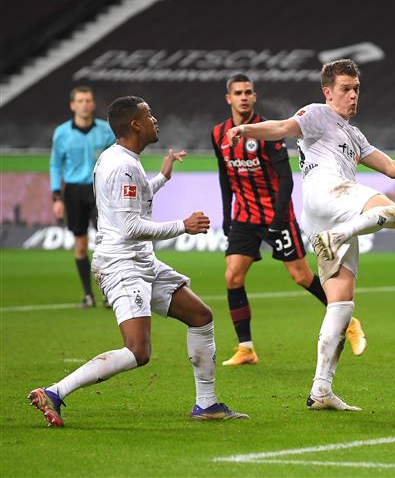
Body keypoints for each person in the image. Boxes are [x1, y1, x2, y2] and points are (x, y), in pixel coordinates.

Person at [227, 59, 395, 410]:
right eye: (345, 89)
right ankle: (339, 236)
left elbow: (394, 167)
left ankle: (321, 390)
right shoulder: (318, 113)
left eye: (356, 89)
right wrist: (247, 131)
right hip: (330, 193)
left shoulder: (353, 134)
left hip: (322, 216)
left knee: (340, 303)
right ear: (328, 92)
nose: (353, 96)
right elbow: (284, 127)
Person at [28, 96, 248, 427]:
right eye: (149, 115)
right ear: (135, 124)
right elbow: (130, 227)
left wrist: (162, 178)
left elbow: (132, 202)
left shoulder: (123, 160)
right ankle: (55, 392)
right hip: (121, 264)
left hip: (141, 261)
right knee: (138, 351)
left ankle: (206, 404)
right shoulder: (121, 166)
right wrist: (182, 227)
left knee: (201, 316)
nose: (155, 119)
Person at [212, 74, 367, 366]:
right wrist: (226, 214)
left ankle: (348, 320)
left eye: (248, 92)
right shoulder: (218, 133)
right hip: (244, 215)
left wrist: (278, 218)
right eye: (238, 93)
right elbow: (224, 176)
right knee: (232, 275)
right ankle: (246, 348)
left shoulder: (266, 132)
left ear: (254, 97)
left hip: (276, 214)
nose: (244, 97)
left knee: (301, 275)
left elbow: (285, 179)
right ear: (229, 98)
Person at [50, 86, 116, 308]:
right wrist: (56, 197)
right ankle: (88, 295)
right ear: (72, 105)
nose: (85, 104)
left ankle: (109, 293)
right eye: (80, 100)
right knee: (81, 244)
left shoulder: (106, 131)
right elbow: (55, 164)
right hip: (74, 192)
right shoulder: (62, 133)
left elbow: (115, 162)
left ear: (93, 104)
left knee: (107, 243)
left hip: (100, 192)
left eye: (88, 100)